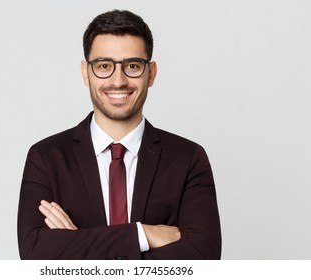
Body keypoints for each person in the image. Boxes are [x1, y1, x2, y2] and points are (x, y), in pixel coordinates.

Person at [17, 9, 221, 260]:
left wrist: (76, 244)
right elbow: (35, 253)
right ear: (85, 72)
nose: (118, 80)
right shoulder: (47, 158)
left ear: (151, 73)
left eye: (132, 66)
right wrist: (142, 235)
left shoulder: (188, 158)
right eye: (104, 66)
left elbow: (203, 256)